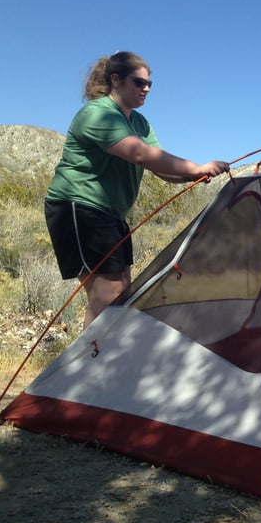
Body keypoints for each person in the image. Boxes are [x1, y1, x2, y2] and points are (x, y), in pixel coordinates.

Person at [45, 52, 229, 328]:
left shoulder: (140, 123)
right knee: (107, 294)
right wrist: (194, 167)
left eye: (149, 84)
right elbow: (141, 154)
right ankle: (92, 364)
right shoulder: (97, 113)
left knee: (121, 289)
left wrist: (191, 176)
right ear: (116, 80)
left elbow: (159, 167)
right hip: (78, 207)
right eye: (139, 82)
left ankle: (101, 359)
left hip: (112, 214)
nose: (146, 89)